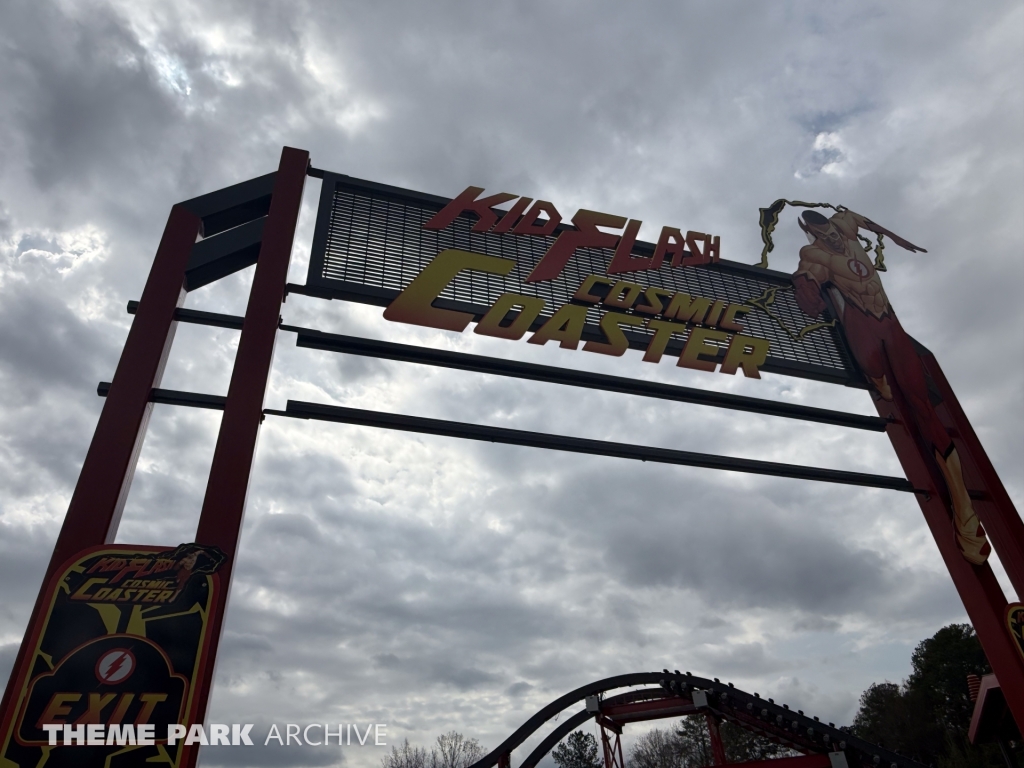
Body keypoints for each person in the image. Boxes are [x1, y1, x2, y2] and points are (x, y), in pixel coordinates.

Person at [790, 208, 990, 565]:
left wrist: (897, 239)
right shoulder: (815, 255)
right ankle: (958, 509)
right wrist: (806, 291)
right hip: (864, 328)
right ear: (811, 233)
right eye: (821, 232)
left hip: (891, 325)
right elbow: (808, 280)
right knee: (892, 397)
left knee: (923, 407)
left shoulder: (845, 229)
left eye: (830, 229)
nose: (830, 236)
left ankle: (964, 509)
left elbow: (863, 221)